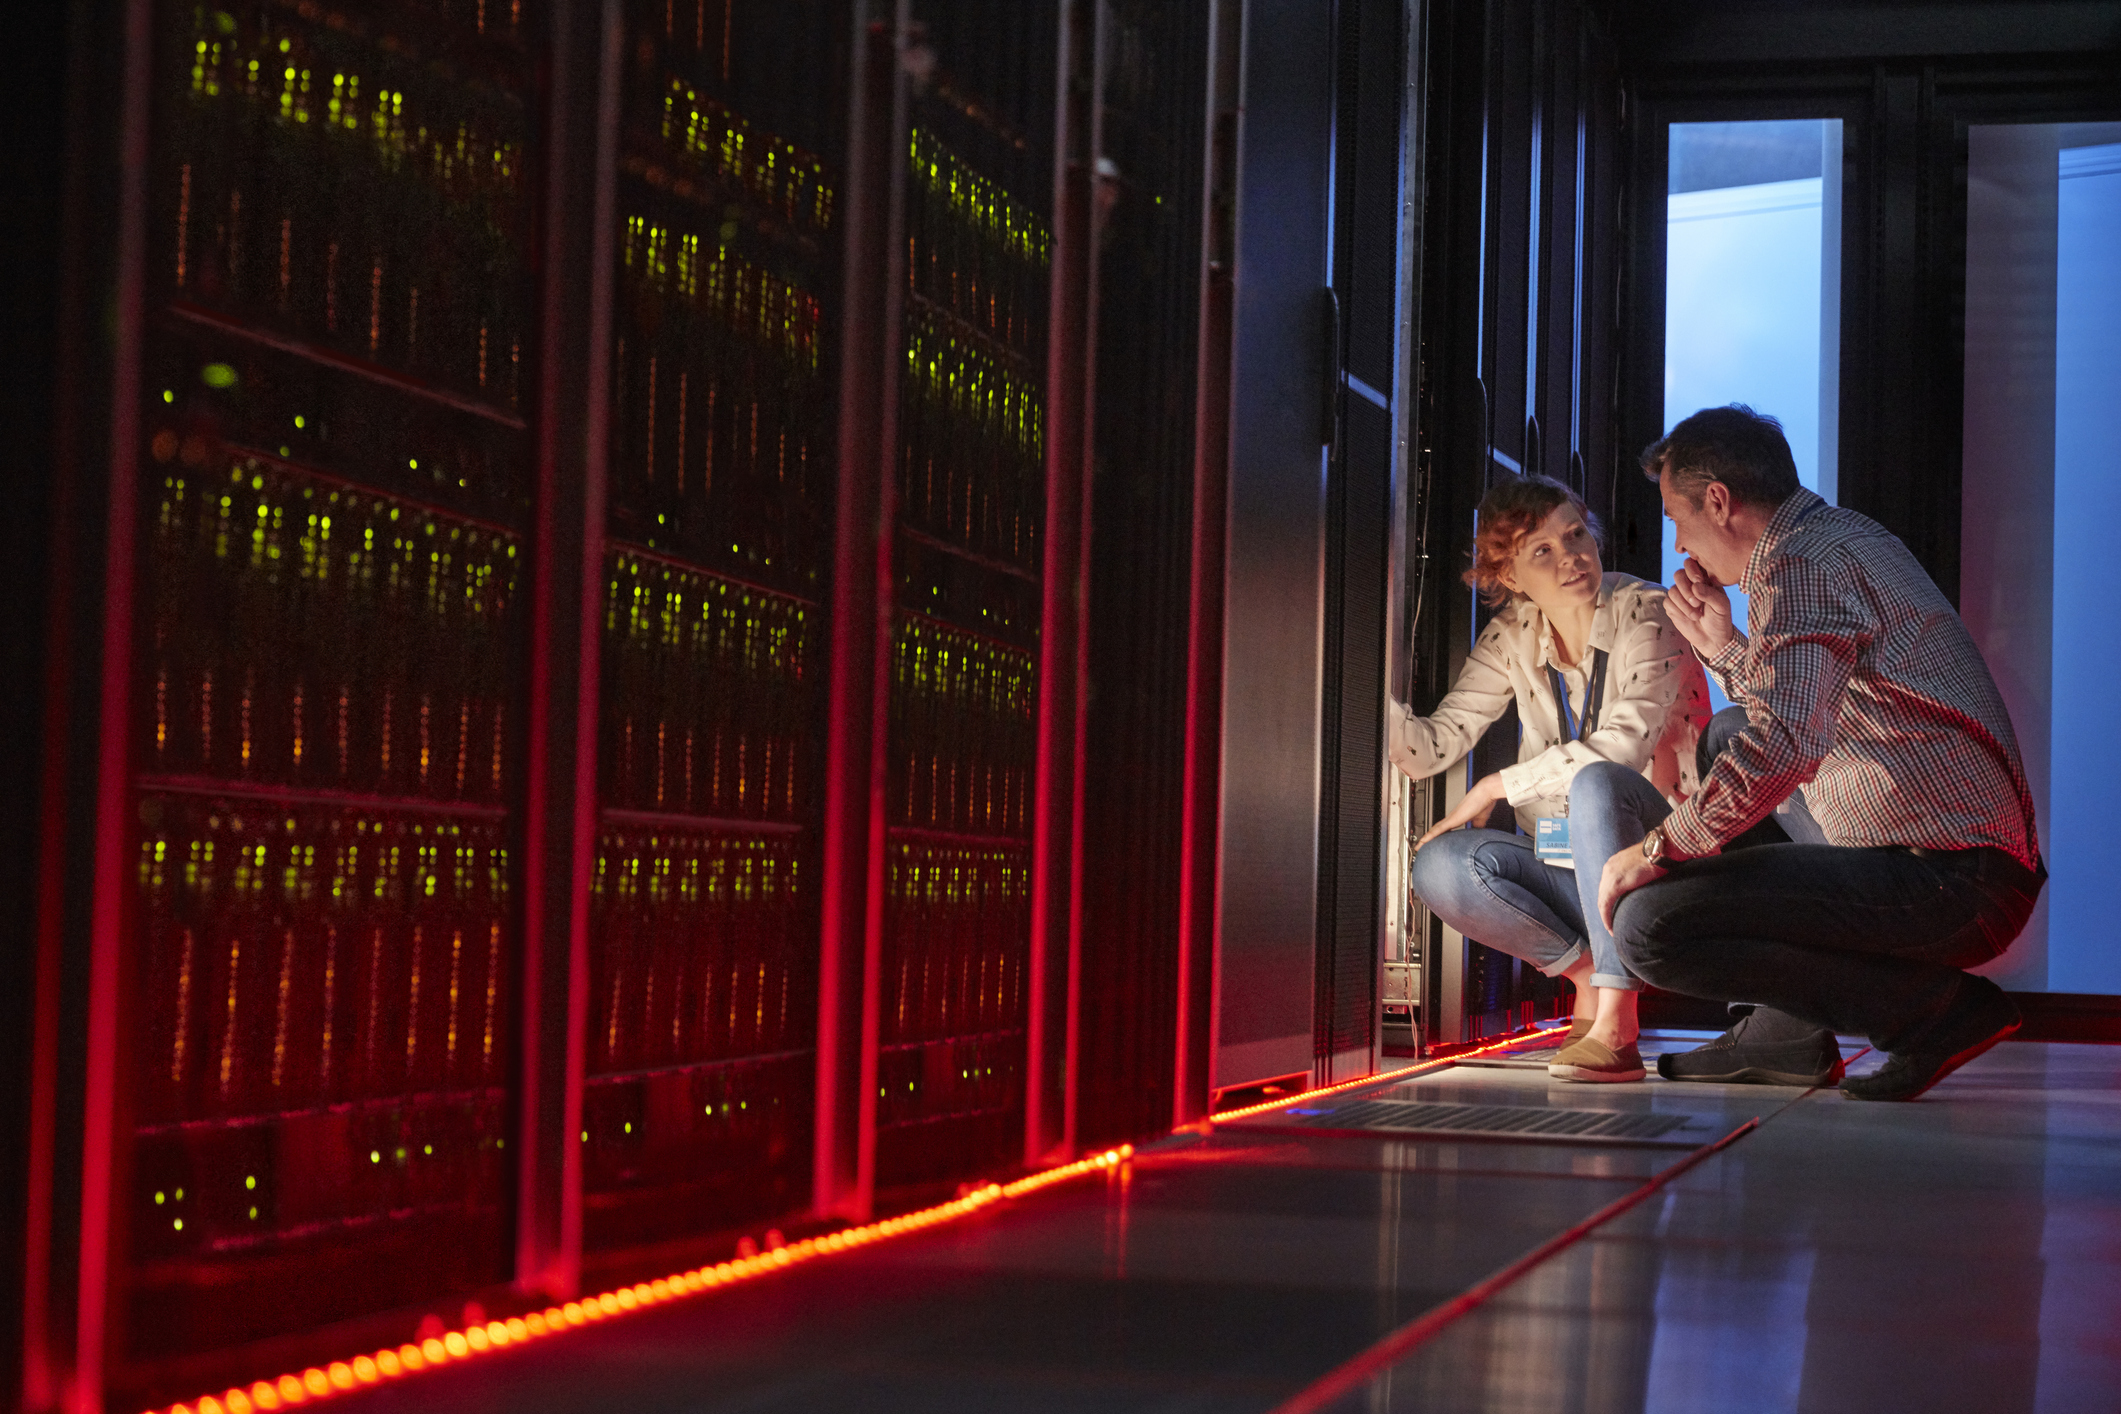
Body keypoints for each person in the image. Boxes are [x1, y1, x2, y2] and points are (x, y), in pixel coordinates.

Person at [1580, 404, 2043, 1100]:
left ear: (1717, 501)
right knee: (1728, 731)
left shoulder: (1797, 566)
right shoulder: (1828, 539)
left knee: (1647, 930)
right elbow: (1811, 710)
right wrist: (1724, 649)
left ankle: (1930, 1013)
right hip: (1965, 864)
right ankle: (1782, 1034)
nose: (1679, 544)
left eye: (1677, 517)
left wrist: (1655, 848)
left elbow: (1790, 742)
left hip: (1950, 880)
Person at [1391, 474, 1710, 1083]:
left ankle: (1616, 1022)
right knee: (1439, 866)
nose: (1572, 557)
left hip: (1660, 864)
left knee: (1596, 784)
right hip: (1572, 873)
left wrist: (1495, 787)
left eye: (1575, 535)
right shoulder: (1514, 634)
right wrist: (1362, 682)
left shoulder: (1648, 613)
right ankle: (1588, 975)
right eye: (1544, 551)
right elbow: (1433, 744)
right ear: (1510, 576)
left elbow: (1622, 745)